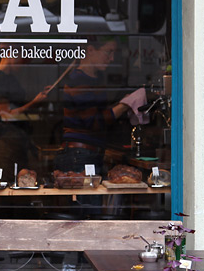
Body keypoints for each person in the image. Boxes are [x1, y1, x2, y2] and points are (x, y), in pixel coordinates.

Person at [56, 38, 145, 175]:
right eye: (108, 52)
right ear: (90, 50)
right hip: (80, 155)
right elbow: (94, 121)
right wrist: (125, 105)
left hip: (90, 152)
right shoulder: (78, 79)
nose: (111, 58)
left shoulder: (96, 78)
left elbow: (99, 112)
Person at [0, 54, 53, 178]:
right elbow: (6, 115)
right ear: (10, 53)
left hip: (16, 139)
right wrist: (34, 103)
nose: (25, 62)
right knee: (11, 184)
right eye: (23, 56)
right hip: (7, 141)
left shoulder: (9, 79)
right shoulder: (0, 79)